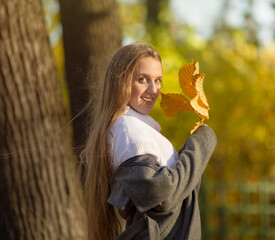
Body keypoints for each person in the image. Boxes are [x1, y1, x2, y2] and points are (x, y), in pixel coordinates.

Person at [82, 43, 217, 240]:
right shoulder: (129, 131)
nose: (153, 90)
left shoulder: (139, 129)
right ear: (121, 82)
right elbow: (161, 194)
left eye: (158, 80)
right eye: (142, 80)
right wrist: (200, 145)